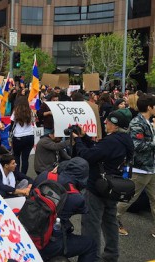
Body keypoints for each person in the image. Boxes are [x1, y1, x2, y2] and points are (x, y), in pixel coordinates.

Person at [74, 110, 134, 261]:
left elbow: (88, 156)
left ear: (114, 125)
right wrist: (85, 137)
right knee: (110, 223)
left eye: (107, 122)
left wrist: (78, 141)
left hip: (97, 187)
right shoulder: (125, 139)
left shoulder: (111, 141)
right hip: (112, 186)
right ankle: (112, 254)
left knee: (91, 224)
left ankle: (91, 257)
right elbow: (99, 150)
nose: (105, 123)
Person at [33, 158, 97, 261]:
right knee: (91, 244)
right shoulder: (76, 197)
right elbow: (84, 209)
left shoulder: (44, 176)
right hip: (49, 243)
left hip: (29, 228)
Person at [117, 94, 155, 237]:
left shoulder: (148, 122)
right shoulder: (137, 123)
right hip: (140, 168)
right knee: (128, 198)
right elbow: (137, 145)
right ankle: (113, 220)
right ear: (150, 107)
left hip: (151, 167)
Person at [10, 96, 35, 174]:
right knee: (25, 158)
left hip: (18, 137)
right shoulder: (30, 111)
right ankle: (23, 175)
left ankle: (17, 175)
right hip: (30, 136)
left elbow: (11, 125)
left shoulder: (15, 111)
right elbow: (33, 121)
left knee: (16, 157)